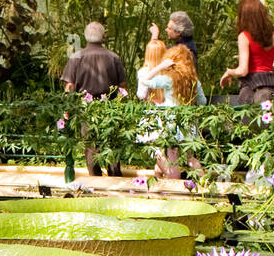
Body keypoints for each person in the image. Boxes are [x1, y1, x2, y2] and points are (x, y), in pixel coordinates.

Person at [61, 22, 128, 176]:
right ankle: (115, 178)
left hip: (86, 106)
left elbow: (70, 86)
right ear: (103, 36)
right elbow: (123, 84)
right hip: (111, 107)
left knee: (91, 145)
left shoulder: (76, 57)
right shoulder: (113, 57)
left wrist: (67, 107)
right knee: (112, 142)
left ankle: (95, 180)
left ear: (86, 36)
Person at [136, 37, 202, 178]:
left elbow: (145, 80)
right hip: (189, 121)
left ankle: (174, 186)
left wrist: (160, 67)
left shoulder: (169, 78)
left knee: (172, 155)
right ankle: (204, 182)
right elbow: (202, 101)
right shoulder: (194, 80)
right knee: (190, 157)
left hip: (171, 121)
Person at [219, 0, 274, 104]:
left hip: (250, 86)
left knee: (247, 117)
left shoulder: (244, 36)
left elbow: (243, 70)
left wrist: (230, 72)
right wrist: (267, 68)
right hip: (272, 86)